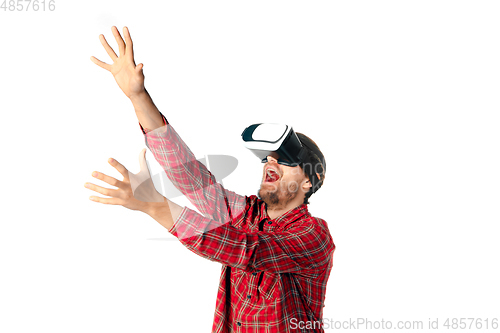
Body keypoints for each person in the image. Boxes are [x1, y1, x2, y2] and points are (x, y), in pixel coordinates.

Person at [85, 26, 335, 333]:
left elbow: (247, 249)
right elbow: (192, 178)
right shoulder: (248, 214)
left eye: (284, 159)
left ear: (310, 181)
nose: (271, 163)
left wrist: (156, 207)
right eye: (268, 158)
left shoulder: (315, 235)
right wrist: (138, 97)